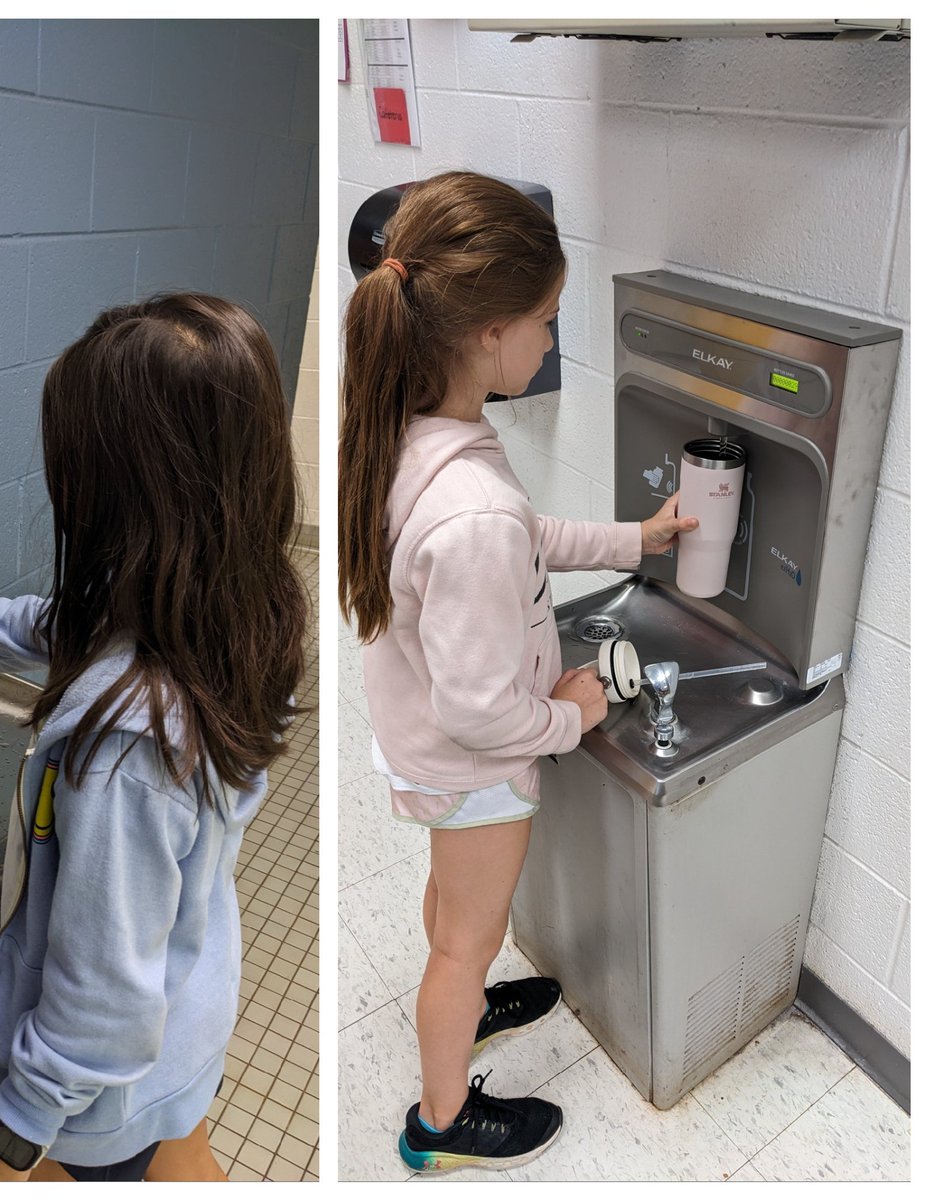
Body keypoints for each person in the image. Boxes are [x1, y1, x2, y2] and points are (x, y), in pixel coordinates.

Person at [0, 294, 308, 1182]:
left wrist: (12, 1145)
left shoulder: (126, 757)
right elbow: (40, 626)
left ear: (119, 489)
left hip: (102, 1095)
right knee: (182, 1157)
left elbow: (102, 1008)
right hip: (187, 1020)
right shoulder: (229, 612)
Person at [338, 172, 695, 1174]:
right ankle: (441, 1121)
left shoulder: (412, 427)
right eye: (545, 319)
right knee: (468, 934)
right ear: (488, 334)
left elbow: (526, 535)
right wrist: (572, 715)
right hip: (470, 764)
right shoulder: (469, 508)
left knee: (455, 910)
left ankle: (467, 989)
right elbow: (482, 709)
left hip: (421, 747)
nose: (549, 339)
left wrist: (636, 538)